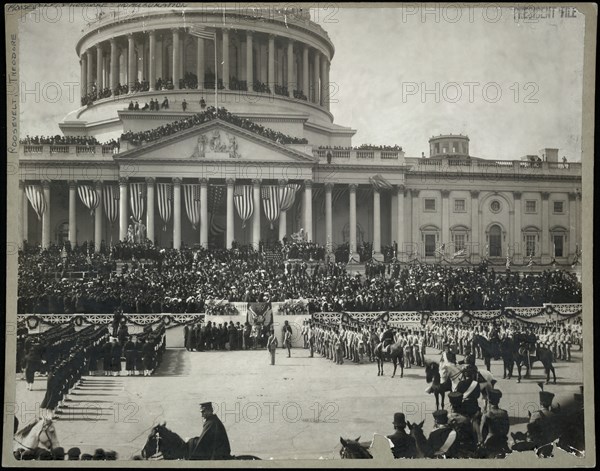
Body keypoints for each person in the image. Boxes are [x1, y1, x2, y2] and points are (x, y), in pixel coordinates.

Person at [478, 389, 510, 458]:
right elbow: (506, 429)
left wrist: (482, 442)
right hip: (502, 442)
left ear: (489, 400)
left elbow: (482, 432)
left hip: (490, 442)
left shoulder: (487, 415)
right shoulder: (504, 413)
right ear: (498, 400)